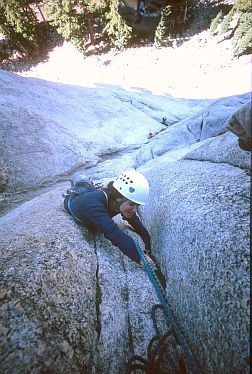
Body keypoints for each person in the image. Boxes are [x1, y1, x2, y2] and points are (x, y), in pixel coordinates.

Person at [64, 169, 166, 288]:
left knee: (88, 185)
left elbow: (135, 222)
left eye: (137, 205)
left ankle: (88, 183)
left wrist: (147, 243)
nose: (135, 209)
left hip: (93, 196)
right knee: (81, 181)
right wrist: (149, 264)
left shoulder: (117, 202)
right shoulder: (93, 204)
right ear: (118, 198)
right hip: (78, 200)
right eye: (132, 204)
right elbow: (115, 235)